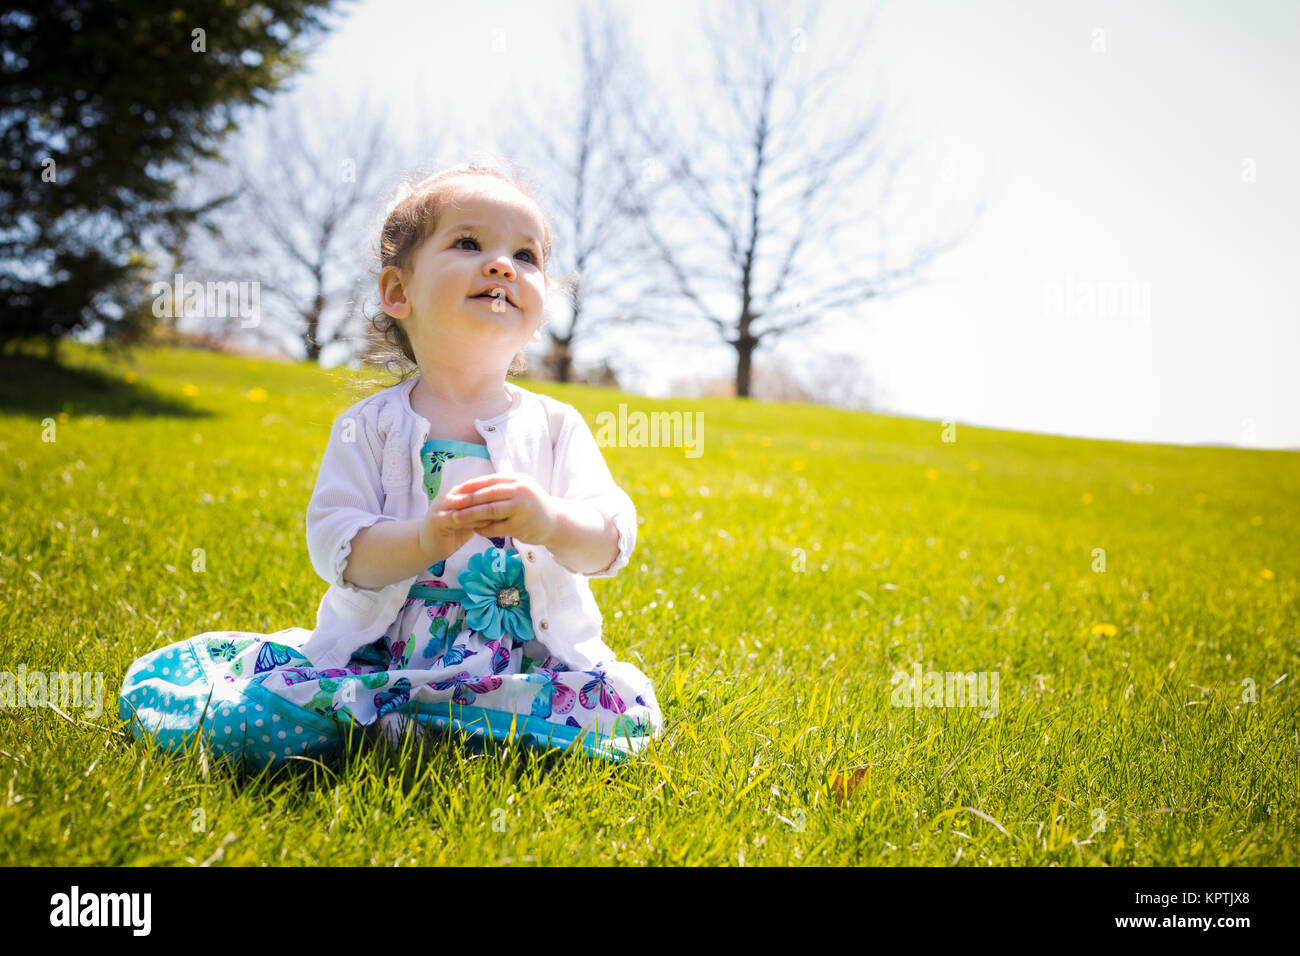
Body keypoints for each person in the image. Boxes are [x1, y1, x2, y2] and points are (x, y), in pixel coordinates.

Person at [118, 162, 664, 767]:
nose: (503, 265)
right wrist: (425, 538)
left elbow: (610, 540)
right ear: (398, 292)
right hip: (384, 652)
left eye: (527, 256)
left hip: (524, 659)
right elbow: (338, 547)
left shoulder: (557, 426)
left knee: (618, 713)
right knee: (251, 718)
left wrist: (551, 523)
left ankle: (417, 725)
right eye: (467, 243)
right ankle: (418, 718)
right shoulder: (370, 426)